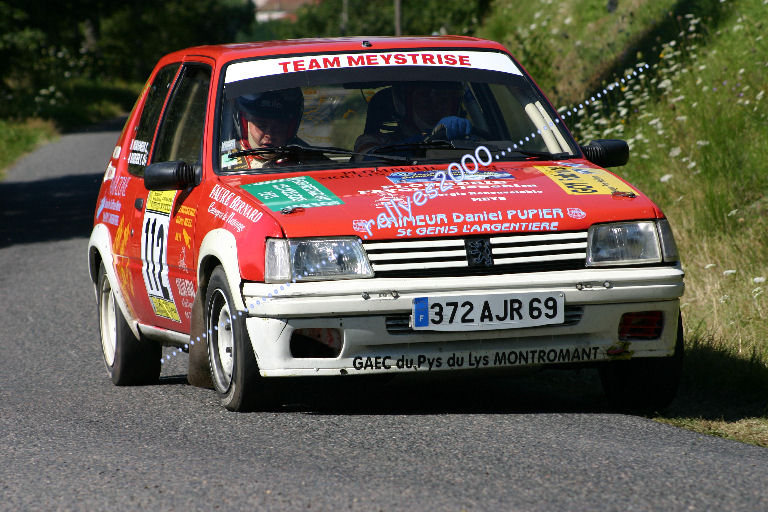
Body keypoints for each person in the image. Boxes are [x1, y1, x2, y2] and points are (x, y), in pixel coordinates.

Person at [354, 81, 471, 155]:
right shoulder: (373, 141)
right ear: (403, 104)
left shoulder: (467, 140)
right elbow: (368, 160)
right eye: (425, 98)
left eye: (444, 100)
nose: (436, 106)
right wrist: (429, 139)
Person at [223, 88, 304, 170]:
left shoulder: (307, 158)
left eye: (278, 127)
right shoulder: (221, 159)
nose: (269, 134)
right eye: (262, 126)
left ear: (290, 129)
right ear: (245, 124)